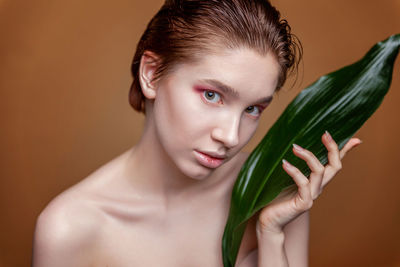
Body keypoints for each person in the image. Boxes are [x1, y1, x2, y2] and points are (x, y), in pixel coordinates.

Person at [32, 0, 361, 266]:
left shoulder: (274, 191)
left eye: (253, 109)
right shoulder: (70, 228)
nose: (231, 137)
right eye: (211, 95)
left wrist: (271, 233)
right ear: (151, 74)